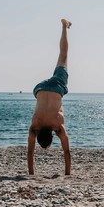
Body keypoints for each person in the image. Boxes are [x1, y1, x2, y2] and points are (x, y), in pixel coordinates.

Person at [27, 19, 72, 175]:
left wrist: (68, 173)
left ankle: (64, 26)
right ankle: (64, 27)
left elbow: (67, 152)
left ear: (52, 137)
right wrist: (30, 173)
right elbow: (30, 154)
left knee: (63, 56)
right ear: (39, 135)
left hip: (57, 87)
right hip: (38, 88)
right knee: (60, 59)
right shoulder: (34, 127)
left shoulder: (58, 126)